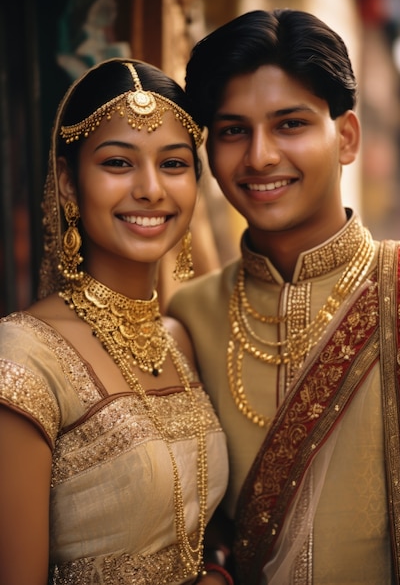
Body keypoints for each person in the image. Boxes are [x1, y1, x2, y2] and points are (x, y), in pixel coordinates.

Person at [168, 8, 400, 584]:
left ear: (346, 137)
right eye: (233, 131)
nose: (260, 156)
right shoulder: (189, 317)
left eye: (290, 124)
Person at [0, 58, 234, 585]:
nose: (151, 189)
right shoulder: (24, 356)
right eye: (118, 163)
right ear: (67, 181)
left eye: (174, 164)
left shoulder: (178, 340)